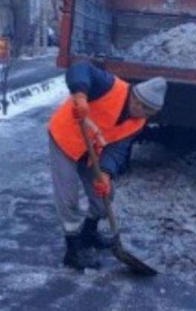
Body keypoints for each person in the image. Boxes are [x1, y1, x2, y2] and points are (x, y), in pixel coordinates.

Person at [47, 61, 167, 271]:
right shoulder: (110, 86)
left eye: (149, 113)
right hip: (65, 138)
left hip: (91, 151)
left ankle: (89, 235)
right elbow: (80, 68)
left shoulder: (139, 122)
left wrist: (105, 173)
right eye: (143, 108)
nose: (143, 114)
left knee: (104, 196)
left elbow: (117, 150)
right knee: (68, 197)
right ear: (137, 99)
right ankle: (72, 251)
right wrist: (81, 95)